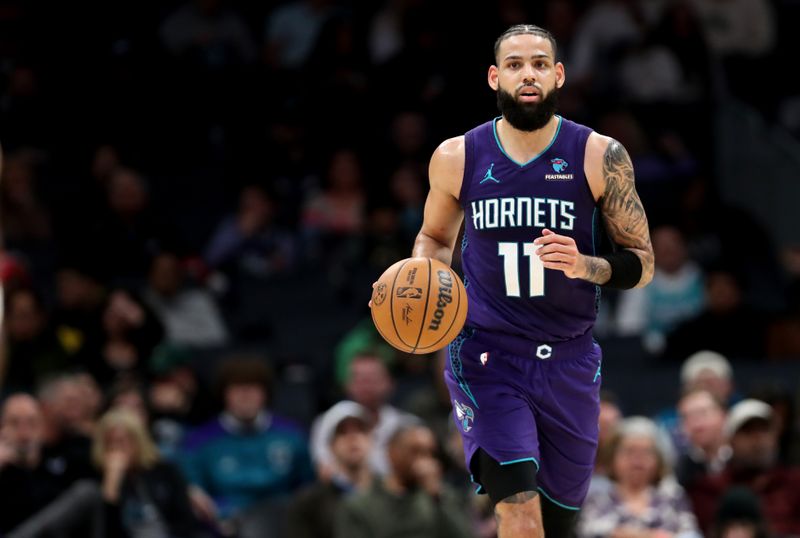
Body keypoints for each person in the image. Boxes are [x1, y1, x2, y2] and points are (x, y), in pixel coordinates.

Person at [373, 24, 655, 537]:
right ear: (494, 76)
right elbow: (434, 239)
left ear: (558, 75)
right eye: (516, 63)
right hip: (488, 357)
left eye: (540, 63)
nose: (529, 73)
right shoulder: (457, 156)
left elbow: (642, 262)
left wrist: (585, 265)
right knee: (519, 513)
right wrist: (424, 281)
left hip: (570, 361)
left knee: (557, 524)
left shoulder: (599, 156)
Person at [334, 423, 475, 538]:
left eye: (429, 453)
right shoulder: (359, 507)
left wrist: (437, 496)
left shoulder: (442, 498)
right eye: (415, 451)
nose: (424, 461)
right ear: (391, 453)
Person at [576, 417, 700, 538]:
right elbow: (587, 531)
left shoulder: (673, 497)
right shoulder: (596, 498)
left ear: (659, 460)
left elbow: (690, 534)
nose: (637, 460)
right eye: (629, 451)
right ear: (613, 458)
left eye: (646, 452)